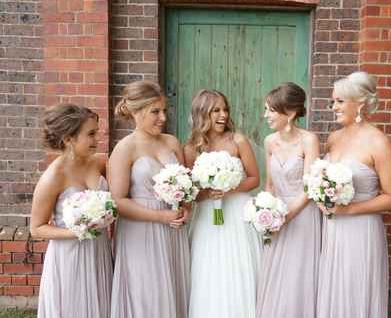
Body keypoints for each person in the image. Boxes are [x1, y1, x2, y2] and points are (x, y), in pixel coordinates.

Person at [317, 72, 391, 318]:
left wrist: (348, 210)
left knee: (355, 290)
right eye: (333, 101)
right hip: (332, 229)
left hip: (360, 230)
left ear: (361, 103)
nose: (334, 107)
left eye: (340, 101)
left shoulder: (379, 143)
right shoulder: (333, 139)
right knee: (333, 289)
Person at [109, 81, 189, 318]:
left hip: (173, 231)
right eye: (155, 111)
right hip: (140, 232)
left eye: (164, 110)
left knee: (174, 287)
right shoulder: (125, 149)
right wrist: (161, 216)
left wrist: (186, 208)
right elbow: (118, 201)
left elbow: (186, 187)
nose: (162, 117)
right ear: (135, 112)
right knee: (147, 292)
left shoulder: (172, 142)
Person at [185, 89, 261, 318]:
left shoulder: (238, 140)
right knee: (209, 270)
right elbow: (193, 194)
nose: (223, 115)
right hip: (208, 217)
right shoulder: (190, 149)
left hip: (237, 213)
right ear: (202, 114)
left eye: (225, 109)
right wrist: (207, 193)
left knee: (239, 267)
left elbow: (254, 179)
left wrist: (230, 189)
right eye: (215, 110)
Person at [31, 104, 112, 318]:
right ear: (69, 139)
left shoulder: (99, 162)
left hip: (99, 250)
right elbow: (37, 228)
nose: (98, 139)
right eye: (91, 134)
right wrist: (77, 232)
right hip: (70, 255)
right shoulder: (53, 177)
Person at [256, 82, 321, 318]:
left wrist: (286, 215)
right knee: (275, 272)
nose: (266, 116)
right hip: (276, 215)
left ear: (291, 112)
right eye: (266, 109)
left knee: (298, 273)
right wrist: (265, 213)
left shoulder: (309, 140)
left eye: (271, 110)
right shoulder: (269, 141)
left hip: (303, 215)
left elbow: (310, 186)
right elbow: (270, 184)